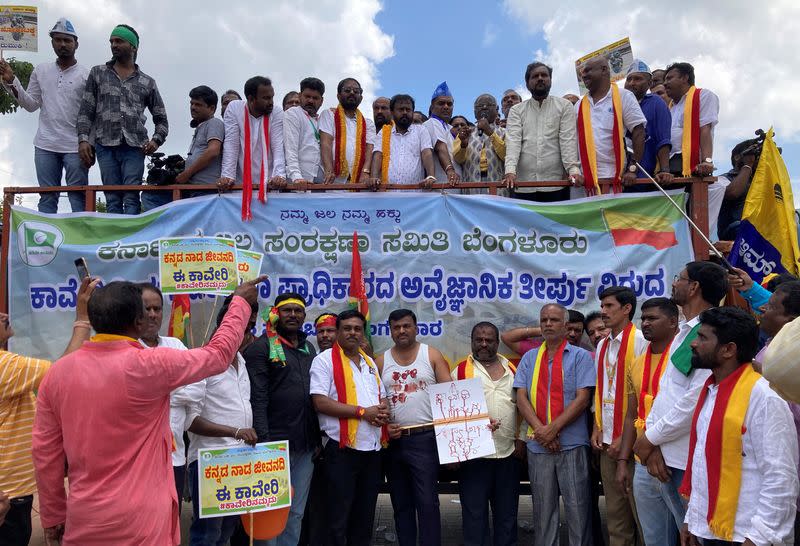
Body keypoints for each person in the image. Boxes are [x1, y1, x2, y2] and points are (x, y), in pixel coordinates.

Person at [32, 277, 264, 545]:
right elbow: (218, 355)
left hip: (85, 517)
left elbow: (45, 453)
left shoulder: (58, 373)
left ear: (92, 319)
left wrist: (52, 516)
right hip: (144, 521)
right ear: (139, 322)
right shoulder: (150, 365)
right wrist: (240, 302)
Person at [680, 307, 798, 546]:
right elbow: (704, 462)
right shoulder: (711, 390)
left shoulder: (764, 397)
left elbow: (781, 476)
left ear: (728, 349)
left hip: (746, 534)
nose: (693, 344)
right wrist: (692, 519)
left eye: (703, 338)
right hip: (710, 528)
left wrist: (760, 537)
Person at [632, 261, 728, 546]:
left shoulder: (708, 333)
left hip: (684, 460)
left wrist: (650, 439)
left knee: (695, 538)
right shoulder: (687, 332)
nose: (674, 283)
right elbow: (667, 395)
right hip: (666, 452)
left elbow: (694, 400)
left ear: (694, 287)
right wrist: (653, 443)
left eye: (679, 278)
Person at [0, 277, 96, 545]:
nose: (4, 315)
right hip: (8, 495)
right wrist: (83, 317)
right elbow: (62, 372)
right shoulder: (5, 367)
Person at [515, 304, 595, 546]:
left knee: (578, 509)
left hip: (571, 445)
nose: (548, 324)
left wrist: (553, 429)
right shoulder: (529, 358)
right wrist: (543, 432)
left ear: (565, 325)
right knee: (543, 511)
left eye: (554, 320)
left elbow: (583, 399)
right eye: (544, 320)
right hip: (538, 446)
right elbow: (521, 397)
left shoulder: (581, 356)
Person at [243, 293, 319, 546]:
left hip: (305, 445)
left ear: (304, 316)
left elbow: (314, 396)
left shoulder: (309, 348)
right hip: (273, 444)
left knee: (295, 512)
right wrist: (264, 443)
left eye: (298, 311)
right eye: (287, 311)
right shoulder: (261, 348)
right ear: (275, 314)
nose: (293, 316)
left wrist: (316, 438)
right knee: (270, 511)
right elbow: (258, 398)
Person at [184, 294, 259, 546]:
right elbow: (190, 421)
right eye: (242, 328)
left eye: (250, 329)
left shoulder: (243, 362)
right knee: (207, 534)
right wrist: (236, 431)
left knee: (226, 532)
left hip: (239, 462)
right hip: (210, 462)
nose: (247, 335)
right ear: (223, 327)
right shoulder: (202, 361)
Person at [310, 310, 389, 546]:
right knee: (337, 519)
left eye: (357, 328)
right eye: (347, 328)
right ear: (338, 332)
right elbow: (320, 402)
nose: (352, 333)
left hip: (372, 451)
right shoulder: (324, 360)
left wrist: (383, 408)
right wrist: (363, 413)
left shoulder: (369, 361)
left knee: (364, 518)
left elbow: (380, 397)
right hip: (342, 451)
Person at [76, 24, 168, 215]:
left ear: (133, 47)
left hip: (135, 147)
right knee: (112, 198)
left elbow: (161, 119)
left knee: (131, 197)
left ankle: (132, 243)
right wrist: (84, 140)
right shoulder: (98, 73)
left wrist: (155, 141)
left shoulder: (147, 82)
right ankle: (114, 242)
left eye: (119, 41)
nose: (114, 45)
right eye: (111, 41)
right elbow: (86, 110)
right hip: (105, 145)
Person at [376, 309, 450, 546]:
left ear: (416, 327)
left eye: (406, 326)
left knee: (427, 502)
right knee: (401, 503)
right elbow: (374, 401)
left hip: (425, 439)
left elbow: (451, 396)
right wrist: (386, 425)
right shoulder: (380, 361)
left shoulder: (432, 355)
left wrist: (477, 420)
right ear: (390, 330)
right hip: (394, 441)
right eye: (396, 327)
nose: (402, 331)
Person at [0, 18, 89, 213]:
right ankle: (46, 242)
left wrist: (89, 143)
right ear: (52, 43)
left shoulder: (86, 75)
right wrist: (11, 81)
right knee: (47, 197)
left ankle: (83, 242)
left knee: (79, 197)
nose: (63, 44)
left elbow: (91, 114)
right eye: (58, 40)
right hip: (45, 145)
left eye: (67, 40)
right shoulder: (41, 70)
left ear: (76, 44)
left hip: (75, 146)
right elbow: (31, 105)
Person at [614, 297, 679, 546]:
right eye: (644, 318)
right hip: (643, 462)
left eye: (653, 318)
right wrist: (623, 461)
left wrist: (656, 448)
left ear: (673, 322)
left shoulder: (683, 359)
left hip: (672, 460)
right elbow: (633, 414)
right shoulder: (637, 362)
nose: (646, 323)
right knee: (654, 537)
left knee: (688, 533)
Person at [454, 322, 524, 546]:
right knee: (474, 517)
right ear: (472, 341)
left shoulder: (514, 370)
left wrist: (521, 439)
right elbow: (450, 416)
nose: (484, 344)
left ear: (497, 342)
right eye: (479, 340)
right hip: (474, 459)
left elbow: (525, 407)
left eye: (489, 340)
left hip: (508, 455)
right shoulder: (460, 372)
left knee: (507, 516)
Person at [592, 286, 648, 546]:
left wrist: (624, 439)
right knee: (616, 516)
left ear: (627, 309)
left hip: (633, 444)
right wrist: (597, 428)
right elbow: (601, 391)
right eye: (602, 306)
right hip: (606, 443)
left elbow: (641, 396)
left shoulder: (640, 341)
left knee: (643, 516)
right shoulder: (603, 345)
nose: (603, 312)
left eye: (609, 306)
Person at [135, 283, 191, 512]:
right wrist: (173, 389)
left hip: (175, 458)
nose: (152, 314)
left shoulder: (176, 345)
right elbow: (135, 393)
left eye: (157, 309)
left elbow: (197, 389)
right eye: (146, 309)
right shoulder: (127, 348)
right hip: (139, 460)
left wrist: (159, 394)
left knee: (171, 520)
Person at [663, 63, 727, 239]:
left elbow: (704, 129)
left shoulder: (703, 96)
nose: (665, 83)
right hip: (670, 165)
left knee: (690, 217)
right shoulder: (670, 106)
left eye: (670, 78)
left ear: (685, 78)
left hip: (690, 165)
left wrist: (707, 160)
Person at [503, 62, 581, 202]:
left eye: (544, 75)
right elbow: (513, 142)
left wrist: (573, 170)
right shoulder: (517, 110)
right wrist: (510, 171)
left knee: (554, 224)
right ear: (527, 83)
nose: (540, 78)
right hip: (523, 185)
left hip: (555, 185)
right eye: (535, 76)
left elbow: (567, 140)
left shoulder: (564, 106)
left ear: (550, 80)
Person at [145, 85, 224, 210]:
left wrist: (187, 173)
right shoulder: (201, 126)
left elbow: (213, 151)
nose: (193, 107)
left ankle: (170, 229)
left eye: (198, 104)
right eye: (192, 103)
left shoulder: (214, 123)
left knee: (151, 197)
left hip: (205, 190)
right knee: (150, 195)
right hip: (193, 189)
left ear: (212, 108)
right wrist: (183, 164)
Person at [576, 56, 646, 196]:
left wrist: (632, 169)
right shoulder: (579, 105)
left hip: (615, 180)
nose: (583, 75)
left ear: (604, 70)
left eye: (588, 70)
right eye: (582, 72)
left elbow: (639, 132)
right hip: (584, 182)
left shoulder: (624, 96)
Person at [217, 76, 286, 214]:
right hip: (241, 185)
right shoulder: (235, 108)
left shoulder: (276, 112)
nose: (271, 102)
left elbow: (278, 145)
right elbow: (231, 145)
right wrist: (227, 177)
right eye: (266, 98)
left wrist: (280, 175)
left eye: (272, 97)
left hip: (270, 185)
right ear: (251, 99)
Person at [623, 60, 673, 191]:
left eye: (638, 79)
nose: (632, 83)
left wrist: (665, 170)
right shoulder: (617, 102)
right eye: (629, 79)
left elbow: (663, 140)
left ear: (650, 84)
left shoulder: (656, 103)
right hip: (616, 177)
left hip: (643, 176)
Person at [370, 94, 436, 189]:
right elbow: (378, 155)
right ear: (392, 113)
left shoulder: (421, 130)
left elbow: (426, 153)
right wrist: (374, 178)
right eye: (401, 109)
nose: (405, 112)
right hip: (387, 194)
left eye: (408, 110)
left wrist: (430, 176)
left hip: (414, 194)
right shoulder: (384, 132)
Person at [320, 77, 376, 186]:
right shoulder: (329, 115)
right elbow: (326, 143)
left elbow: (369, 149)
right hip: (333, 181)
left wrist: (365, 172)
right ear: (338, 96)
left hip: (358, 181)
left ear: (361, 98)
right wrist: (329, 170)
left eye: (356, 91)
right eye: (347, 90)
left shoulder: (368, 123)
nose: (352, 93)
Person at [454, 94, 506, 192]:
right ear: (474, 112)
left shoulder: (505, 132)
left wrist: (490, 132)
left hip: (497, 186)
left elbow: (506, 156)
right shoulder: (465, 133)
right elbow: (458, 160)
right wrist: (463, 145)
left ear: (497, 109)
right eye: (480, 106)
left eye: (489, 104)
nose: (484, 107)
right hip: (471, 186)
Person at [284, 77, 325, 186]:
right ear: (300, 95)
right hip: (298, 184)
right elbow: (290, 149)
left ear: (321, 101)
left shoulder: (323, 120)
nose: (311, 101)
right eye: (307, 96)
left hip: (320, 185)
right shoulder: (293, 114)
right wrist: (296, 177)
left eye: (315, 98)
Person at [716, 138, 758, 240]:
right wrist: (748, 165)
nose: (756, 158)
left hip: (759, 226)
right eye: (753, 154)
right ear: (737, 157)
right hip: (733, 229)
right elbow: (733, 193)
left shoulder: (760, 181)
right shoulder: (723, 179)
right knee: (746, 227)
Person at [422, 81, 462, 186]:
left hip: (454, 187)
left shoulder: (449, 128)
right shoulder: (432, 123)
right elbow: (440, 148)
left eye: (449, 104)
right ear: (432, 107)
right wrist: (450, 171)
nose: (446, 107)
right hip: (441, 188)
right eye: (441, 103)